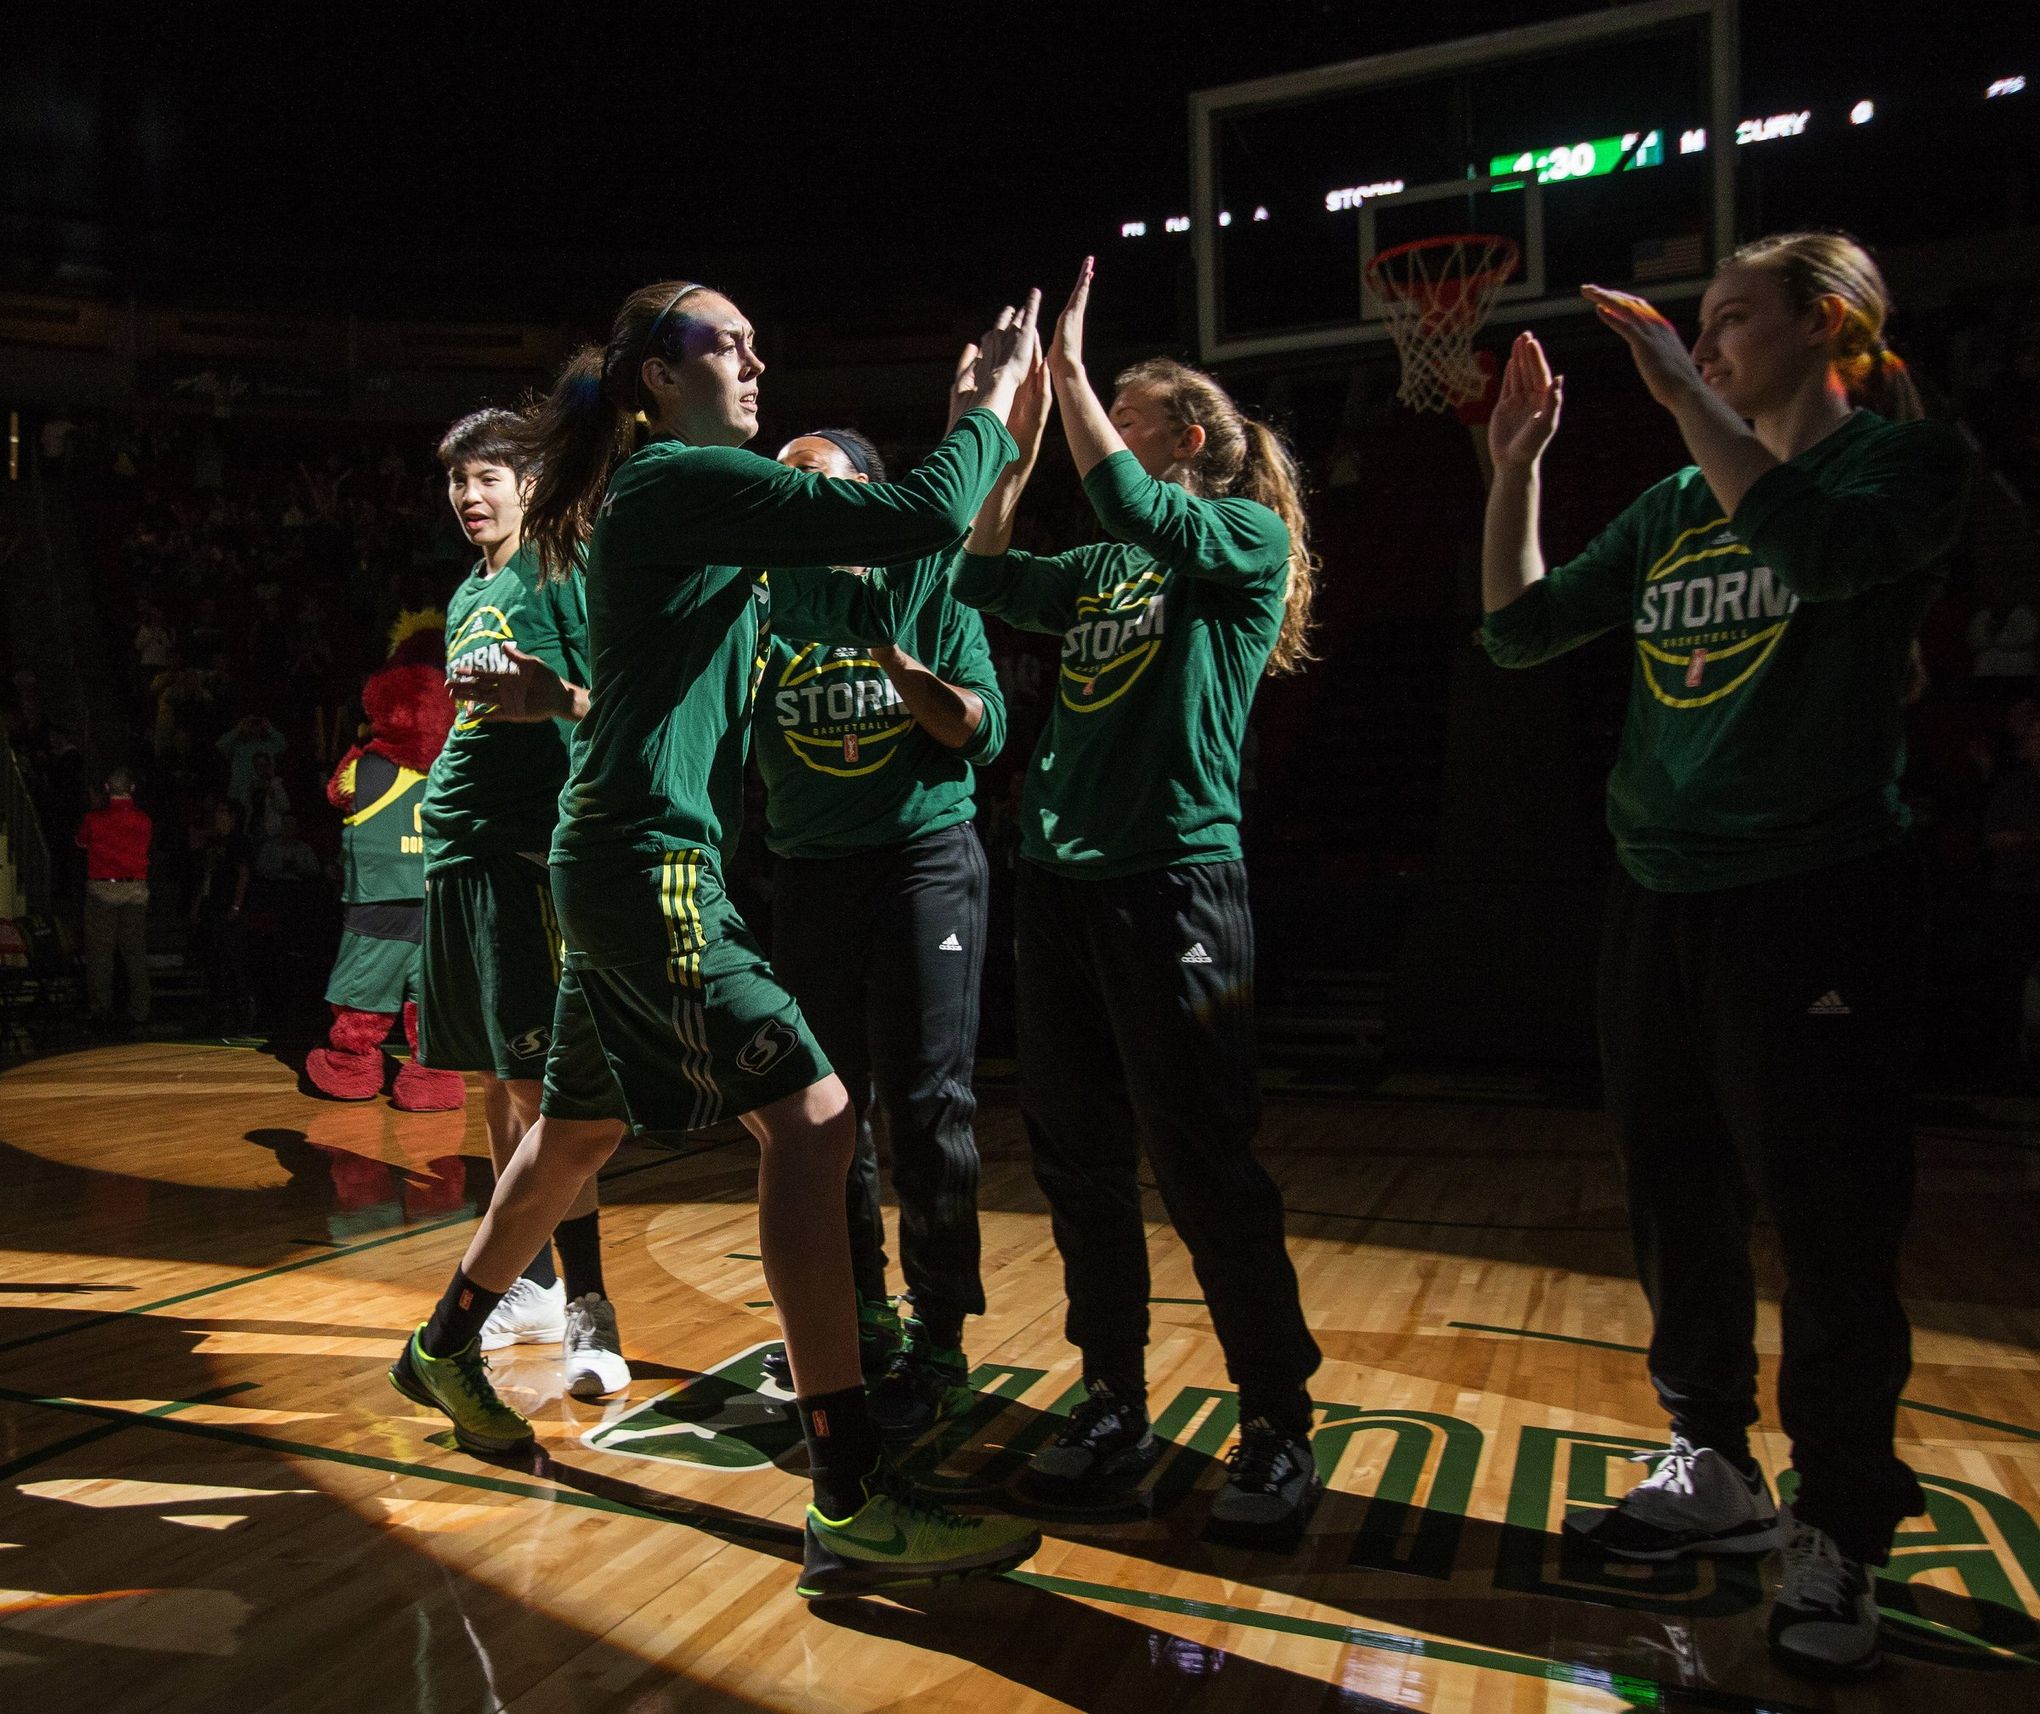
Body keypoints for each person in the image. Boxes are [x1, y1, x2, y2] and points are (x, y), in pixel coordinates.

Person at [388, 277, 1044, 1599]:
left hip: (614, 856)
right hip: (644, 869)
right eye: (724, 342)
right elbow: (919, 506)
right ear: (655, 377)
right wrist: (975, 411)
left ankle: (446, 1348)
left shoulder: (694, 527)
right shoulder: (675, 485)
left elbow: (655, 686)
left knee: (574, 1131)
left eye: (759, 340)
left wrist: (559, 692)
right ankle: (851, 1494)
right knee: (811, 1121)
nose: (755, 359)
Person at [1477, 232, 1971, 1677]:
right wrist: (1517, 464)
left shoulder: (1900, 472)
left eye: (1732, 321)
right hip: (1660, 894)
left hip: (1816, 894)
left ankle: (1842, 1529)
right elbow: (1515, 632)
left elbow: (1811, 554)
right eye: (1698, 329)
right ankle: (1718, 1464)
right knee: (1672, 1187)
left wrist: (1685, 392)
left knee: (1826, 1219)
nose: (1705, 346)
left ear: (1828, 327)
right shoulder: (1672, 504)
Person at [952, 259, 1324, 1548]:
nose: (1104, 413)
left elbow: (1122, 491)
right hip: (1061, 882)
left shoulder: (1240, 538)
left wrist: (1067, 379)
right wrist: (1013, 444)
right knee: (1078, 1159)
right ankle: (1114, 1395)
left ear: (1192, 433)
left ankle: (1277, 1417)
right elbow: (982, 573)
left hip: (1177, 880)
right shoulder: (1107, 560)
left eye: (1126, 402)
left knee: (1206, 1160)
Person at [751, 425, 1005, 1438]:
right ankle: (858, 1317)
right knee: (823, 1117)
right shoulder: (759, 595)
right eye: (783, 489)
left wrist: (891, 658)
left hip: (921, 861)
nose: (797, 504)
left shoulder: (929, 576)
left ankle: (940, 1337)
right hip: (809, 873)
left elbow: (979, 728)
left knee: (928, 1107)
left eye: (818, 486)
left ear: (871, 498)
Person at [415, 408, 628, 1398]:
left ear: (533, 486)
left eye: (489, 477)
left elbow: (616, 699)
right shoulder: (472, 588)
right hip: (457, 857)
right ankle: (533, 1282)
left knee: (553, 1097)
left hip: (525, 860)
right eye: (459, 480)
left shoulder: (562, 568)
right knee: (495, 1084)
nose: (470, 495)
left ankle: (589, 1303)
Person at [77, 766, 153, 1035]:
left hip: (102, 891)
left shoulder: (94, 819)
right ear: (132, 788)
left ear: (107, 788)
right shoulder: (144, 820)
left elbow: (82, 842)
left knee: (101, 953)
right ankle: (140, 1009)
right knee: (134, 953)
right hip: (134, 891)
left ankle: (101, 1009)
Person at [189, 800, 254, 1035]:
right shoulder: (213, 843)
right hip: (211, 904)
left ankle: (241, 1002)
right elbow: (205, 876)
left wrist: (236, 905)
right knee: (213, 955)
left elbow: (243, 874)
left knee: (232, 955)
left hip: (227, 905)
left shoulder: (239, 842)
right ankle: (220, 1002)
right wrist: (197, 906)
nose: (218, 815)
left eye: (222, 811)